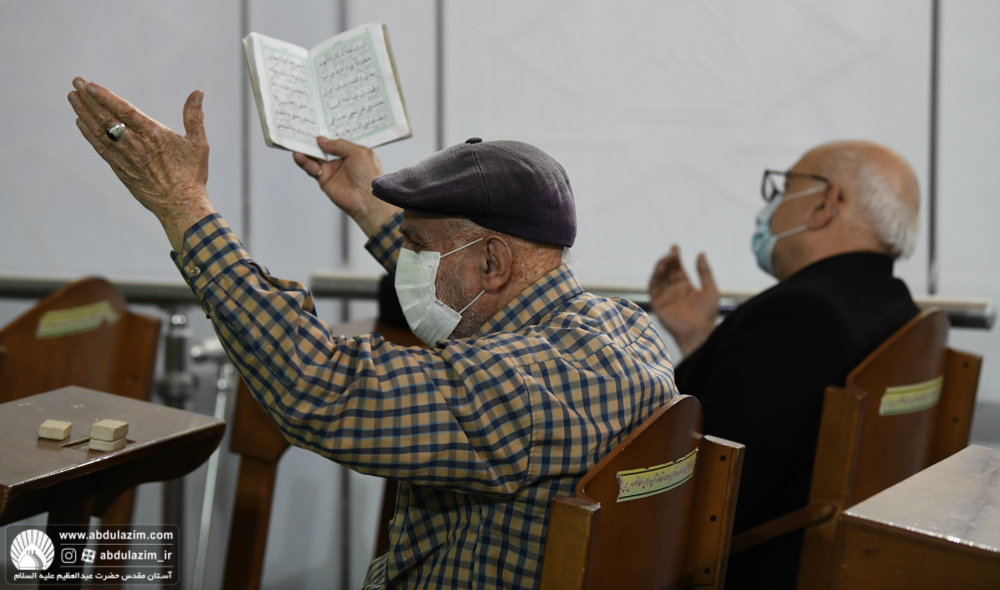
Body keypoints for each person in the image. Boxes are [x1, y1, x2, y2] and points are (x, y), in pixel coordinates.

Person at [67, 78, 677, 589]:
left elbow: (323, 386)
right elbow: (461, 291)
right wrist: (369, 204)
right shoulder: (625, 332)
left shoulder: (522, 388)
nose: (409, 263)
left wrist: (183, 206)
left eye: (416, 247)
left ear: (493, 261)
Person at [647, 140, 920, 589]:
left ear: (826, 202)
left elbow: (703, 484)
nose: (770, 205)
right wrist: (698, 336)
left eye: (785, 187)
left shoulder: (800, 315)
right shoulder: (896, 309)